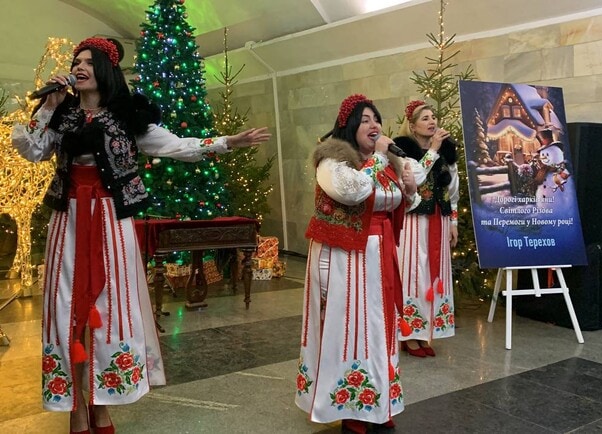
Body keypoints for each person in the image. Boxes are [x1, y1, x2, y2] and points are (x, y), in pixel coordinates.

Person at [12, 37, 270, 434]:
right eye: (76, 61)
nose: (79, 67)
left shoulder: (127, 116)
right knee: (67, 308)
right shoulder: (59, 114)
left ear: (106, 69)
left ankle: (102, 403)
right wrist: (46, 106)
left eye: (87, 62)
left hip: (112, 220)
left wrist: (225, 143)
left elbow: (175, 146)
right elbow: (31, 149)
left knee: (112, 305)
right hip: (70, 221)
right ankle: (75, 407)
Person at [295, 94, 420, 434]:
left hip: (379, 256)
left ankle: (378, 404)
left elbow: (395, 200)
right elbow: (352, 191)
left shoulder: (383, 163)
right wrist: (380, 159)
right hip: (346, 258)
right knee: (351, 329)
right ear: (350, 127)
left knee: (379, 330)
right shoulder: (333, 160)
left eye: (376, 118)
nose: (374, 125)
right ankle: (353, 409)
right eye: (365, 120)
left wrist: (408, 192)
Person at [393, 100, 458, 358]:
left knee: (434, 274)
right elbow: (415, 178)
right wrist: (432, 150)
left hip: (438, 219)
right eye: (425, 118)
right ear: (412, 125)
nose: (432, 122)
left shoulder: (445, 151)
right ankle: (408, 333)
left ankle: (425, 331)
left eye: (434, 117)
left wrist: (453, 221)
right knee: (413, 273)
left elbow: (452, 190)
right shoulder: (402, 150)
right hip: (413, 220)